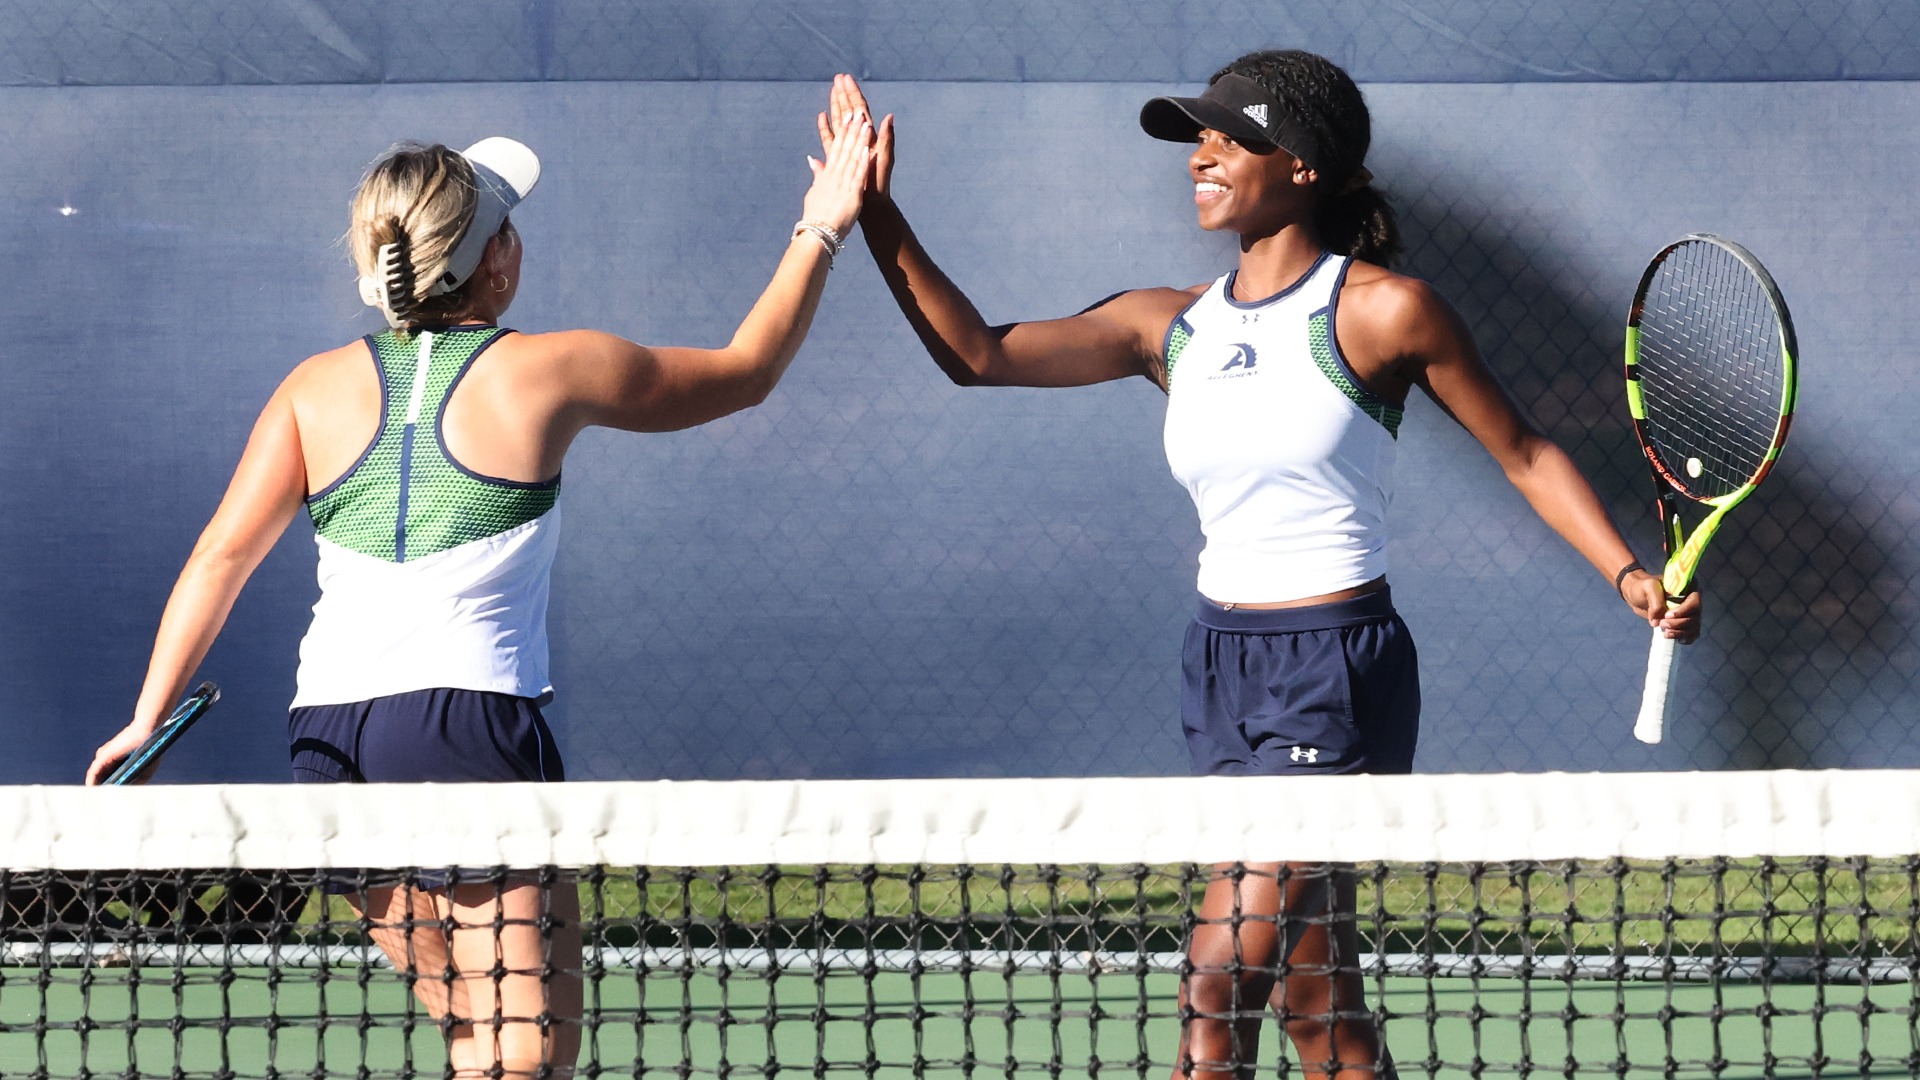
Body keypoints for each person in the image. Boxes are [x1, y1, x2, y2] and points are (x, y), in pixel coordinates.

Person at [816, 54, 1698, 1080]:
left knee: (1215, 984)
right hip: (1219, 671)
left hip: (1336, 673)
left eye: (1231, 136)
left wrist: (1629, 576)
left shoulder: (1383, 312)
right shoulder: (1168, 325)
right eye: (1200, 136)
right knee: (1317, 1009)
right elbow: (976, 351)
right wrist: (875, 214)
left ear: (1304, 166)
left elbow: (1528, 453)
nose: (1202, 154)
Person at [85, 118, 874, 1077]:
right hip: (467, 728)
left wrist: (145, 716)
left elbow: (219, 557)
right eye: (510, 229)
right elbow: (745, 372)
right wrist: (821, 227)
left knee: (480, 1032)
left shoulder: (311, 388)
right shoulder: (550, 369)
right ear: (495, 263)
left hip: (332, 742)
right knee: (520, 1054)